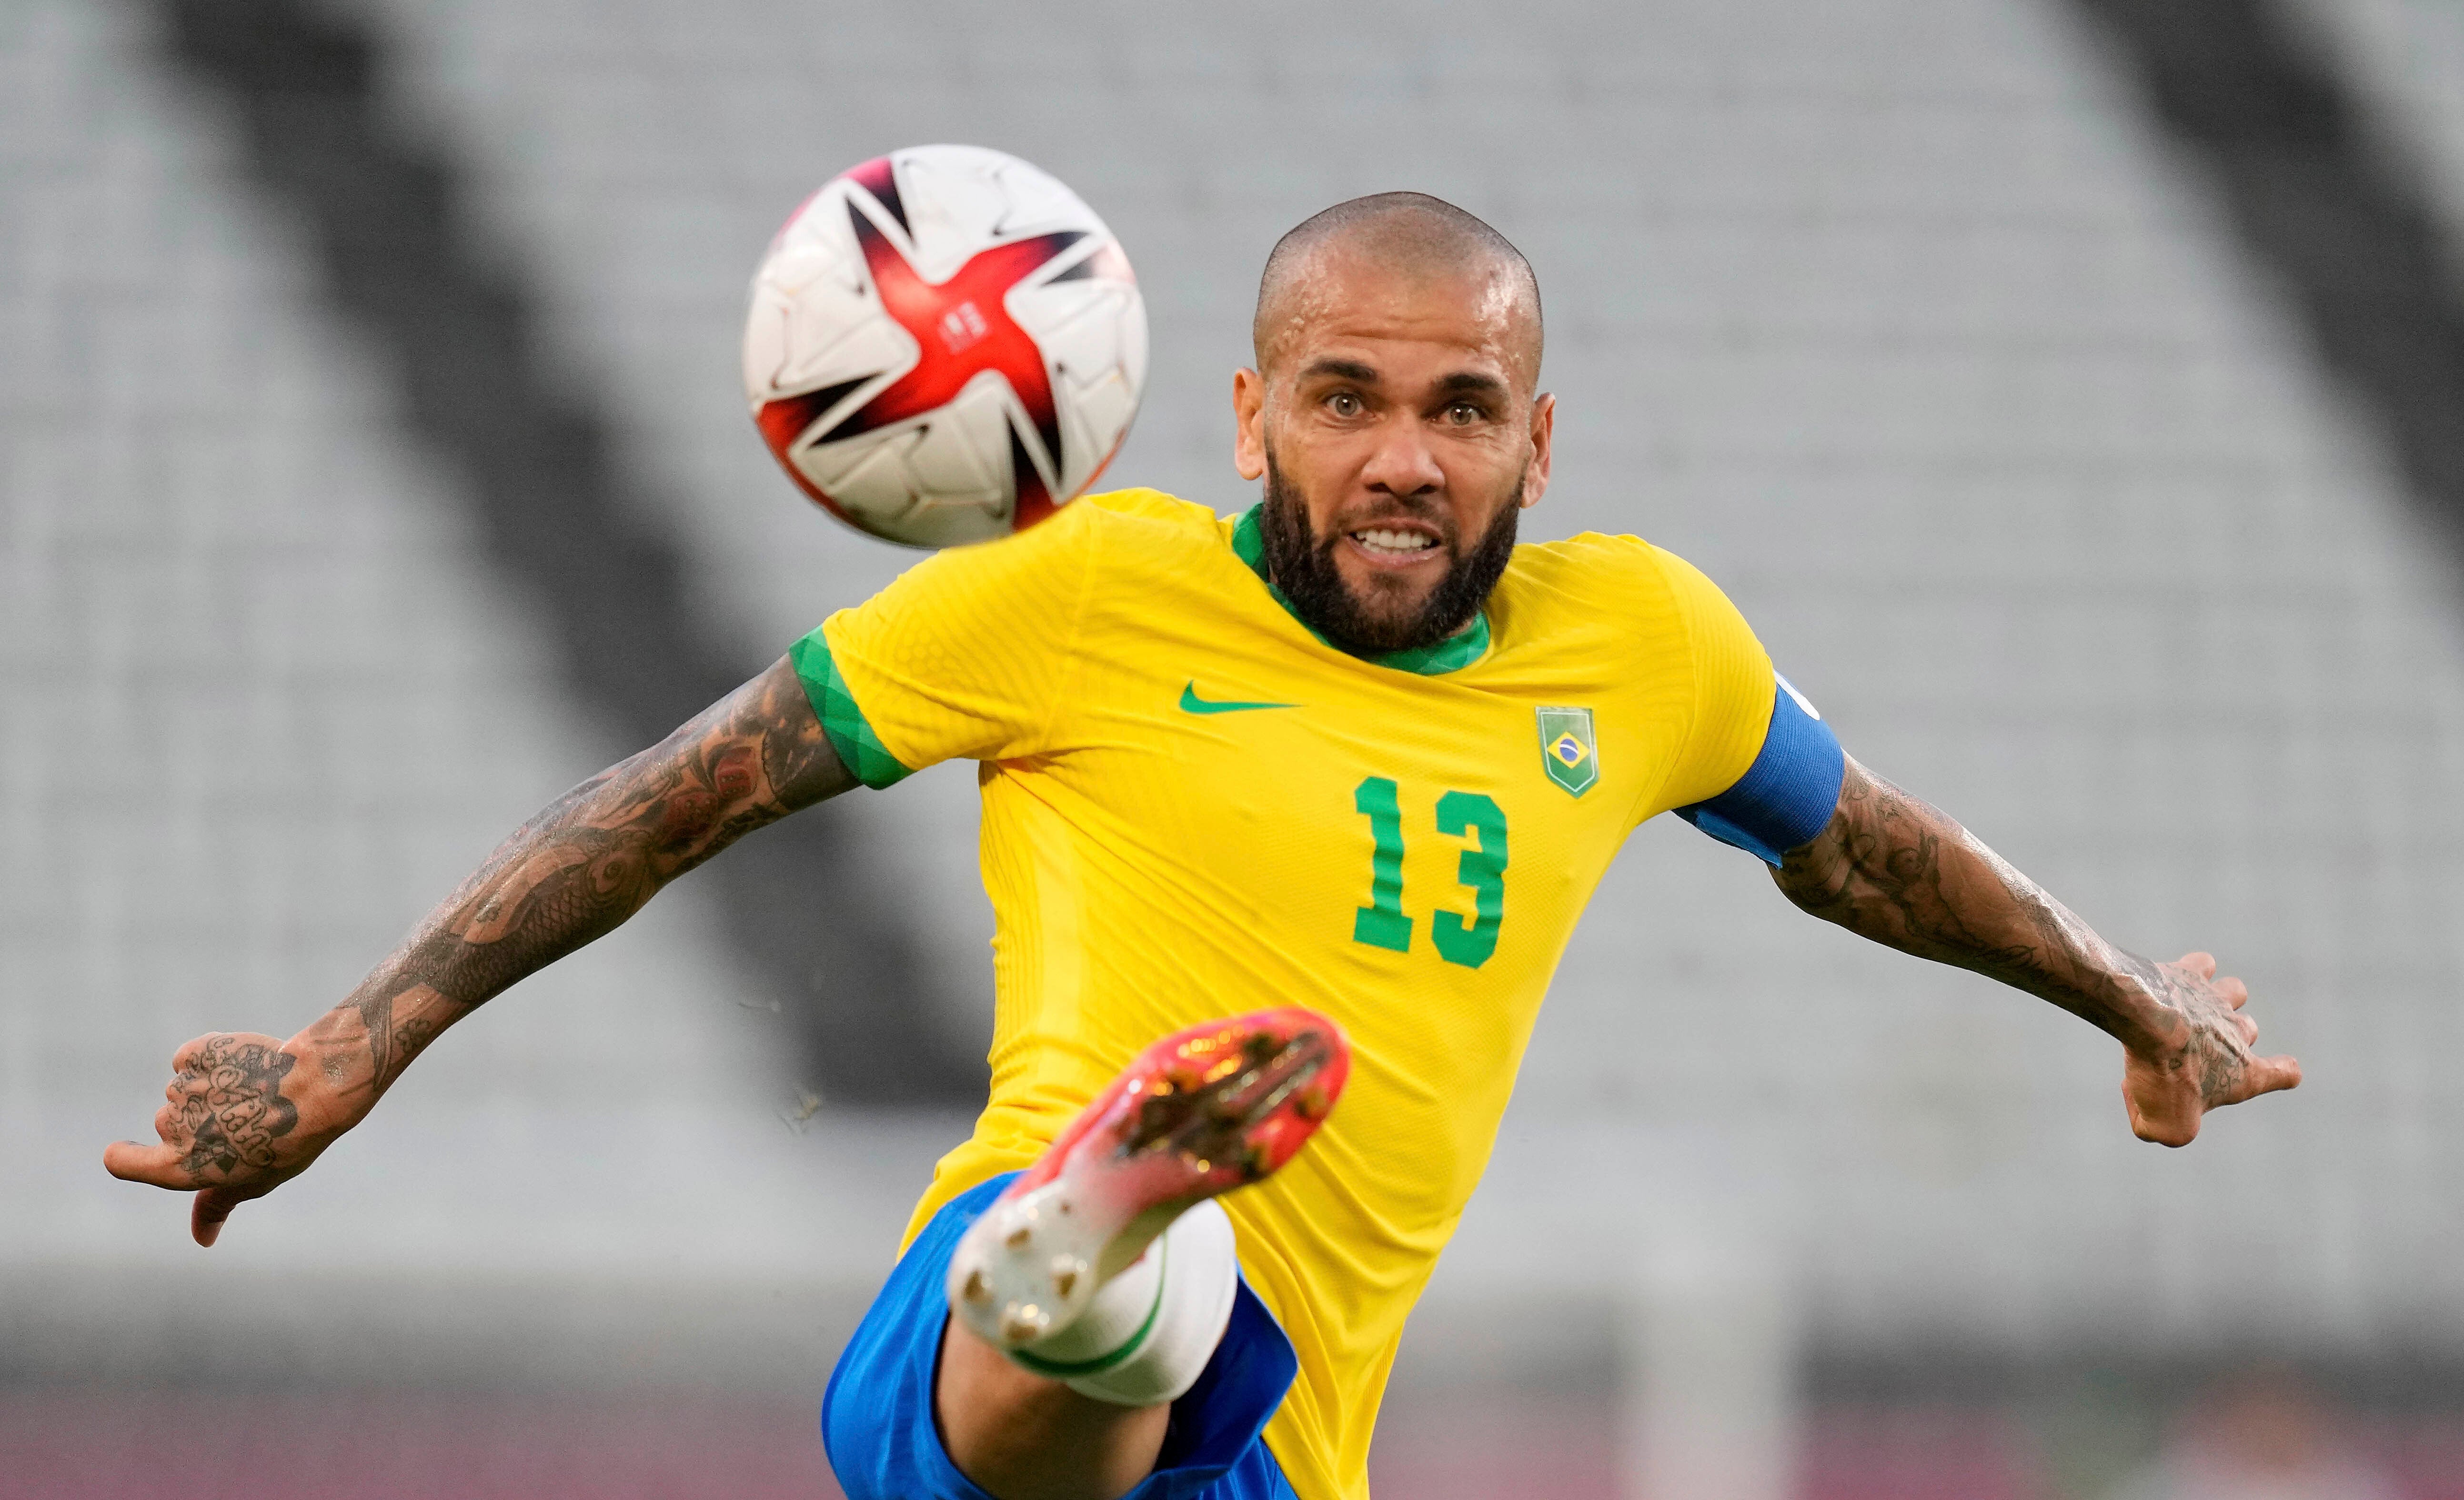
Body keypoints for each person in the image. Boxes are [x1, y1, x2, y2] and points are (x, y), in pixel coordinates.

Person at [104, 192, 2302, 1500]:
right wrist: (351, 1048)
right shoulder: (1080, 590)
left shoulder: (1642, 645)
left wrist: (2133, 1007)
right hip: (998, 1322)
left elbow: (1875, 848)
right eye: (1345, 397)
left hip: (1283, 1459)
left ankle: (1123, 1260)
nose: (1403, 460)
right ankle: (1102, 1224)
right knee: (1141, 1313)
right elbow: (676, 792)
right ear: (1250, 414)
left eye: (1459, 412)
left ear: (1538, 437)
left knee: (1203, 1377)